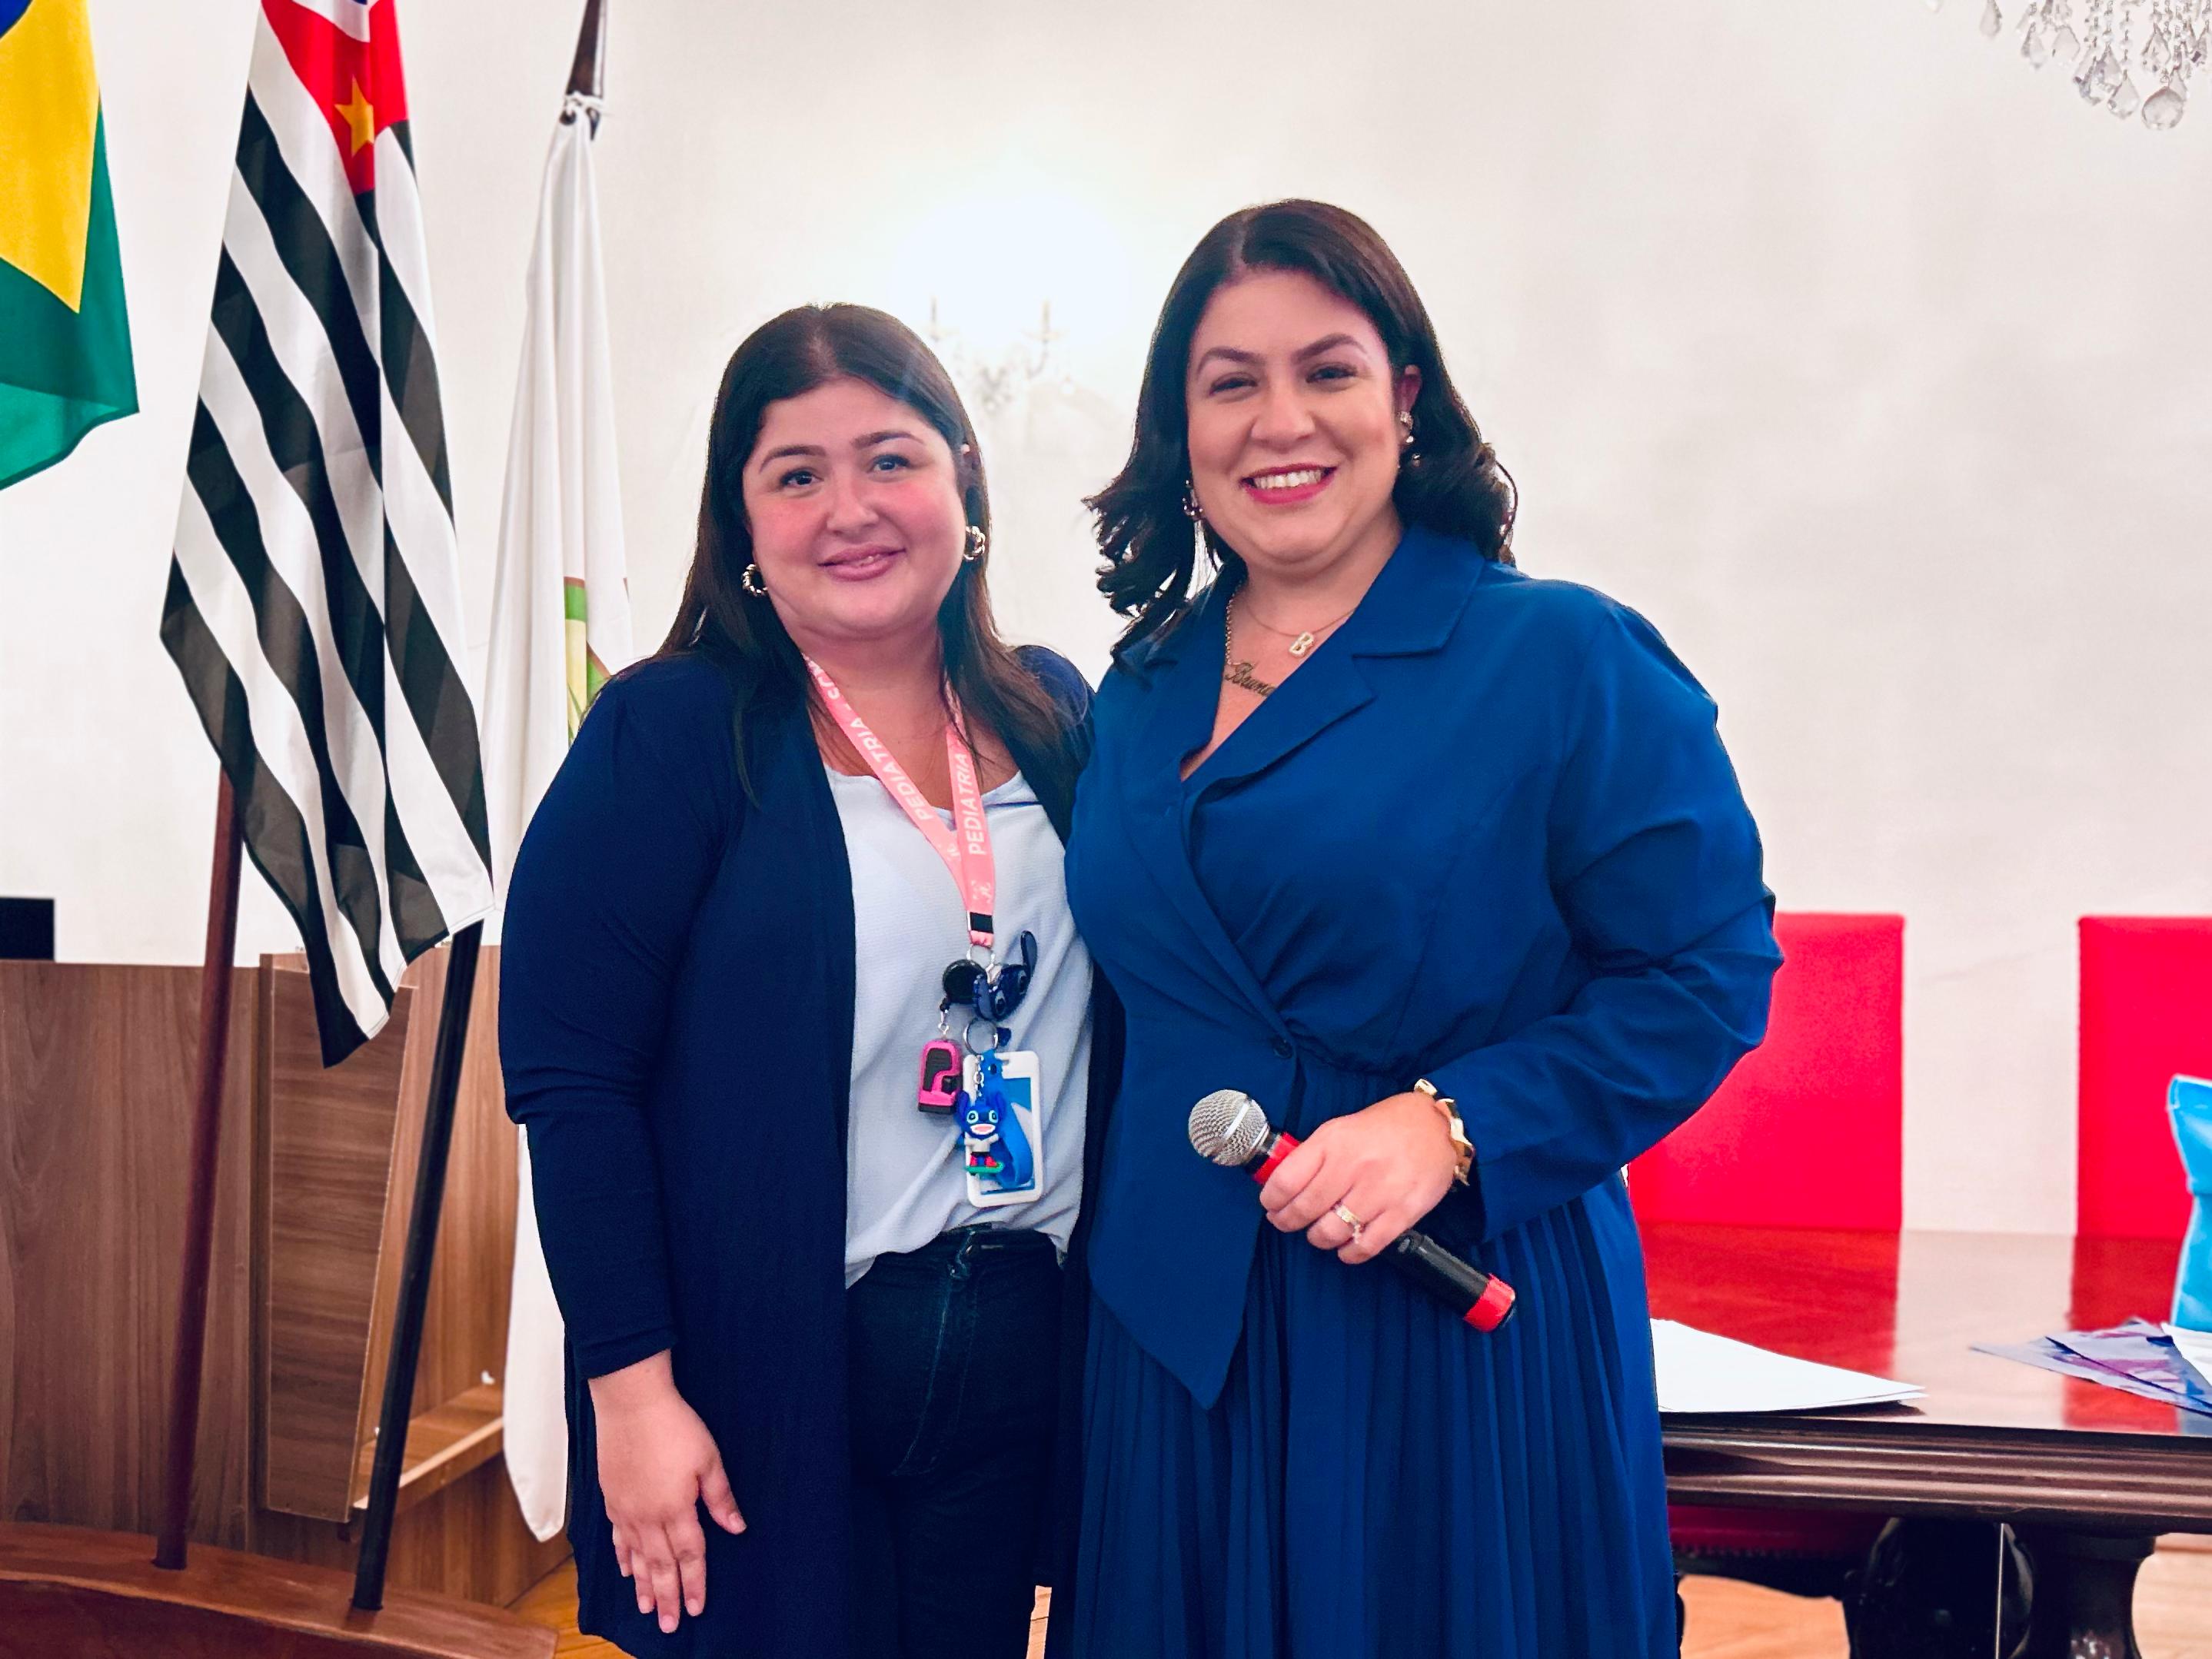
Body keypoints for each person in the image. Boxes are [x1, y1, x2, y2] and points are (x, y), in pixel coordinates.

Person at [1063, 199, 1781, 1657]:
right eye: (1229, 382)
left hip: (1440, 1314)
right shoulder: (1136, 686)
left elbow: (1706, 975)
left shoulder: (1560, 654)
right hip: (1172, 1329)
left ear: (1402, 397)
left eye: (1325, 370)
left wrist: (1452, 1122)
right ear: (1179, 431)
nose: (1280, 420)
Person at [501, 303, 1119, 1659]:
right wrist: (630, 1394)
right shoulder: (671, 729)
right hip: (773, 1362)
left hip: (1018, 1345)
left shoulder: (1056, 716)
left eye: (890, 458)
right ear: (742, 521)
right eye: (796, 473)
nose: (851, 508)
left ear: (964, 481)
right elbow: (572, 1079)